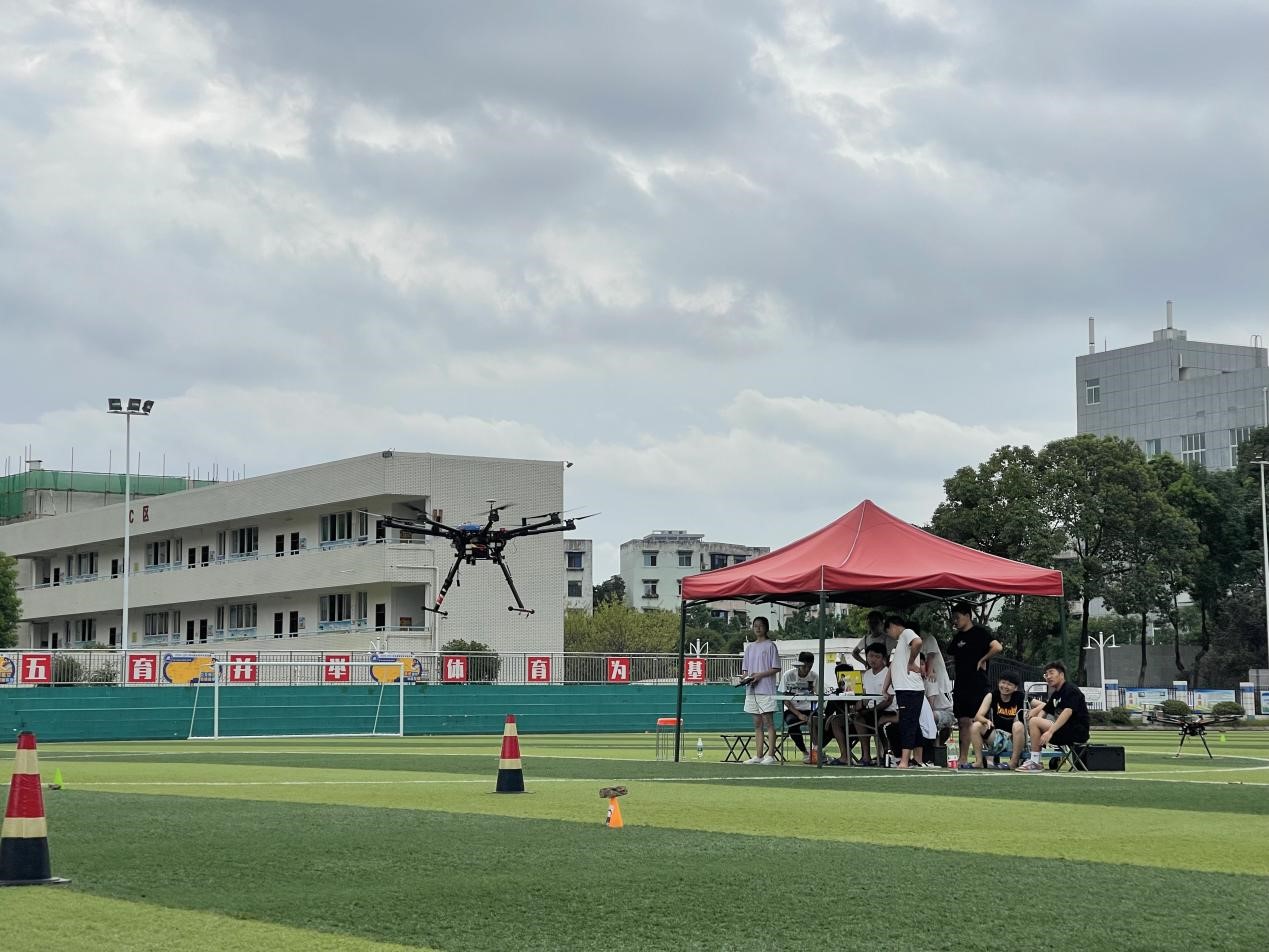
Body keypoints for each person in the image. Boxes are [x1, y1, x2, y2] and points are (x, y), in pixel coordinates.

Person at [947, 602, 1003, 769]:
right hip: (961, 685)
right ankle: (963, 758)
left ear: (967, 616)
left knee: (981, 721)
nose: (955, 621)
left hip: (978, 685)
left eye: (957, 617)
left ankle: (990, 757)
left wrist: (983, 659)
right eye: (953, 618)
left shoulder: (980, 633)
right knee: (963, 721)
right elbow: (951, 651)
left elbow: (997, 647)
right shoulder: (958, 637)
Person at [1016, 661, 1091, 772]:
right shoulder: (1056, 694)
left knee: (1034, 721)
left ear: (1061, 675)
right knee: (1034, 721)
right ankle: (1035, 760)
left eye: (1051, 673)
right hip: (1063, 731)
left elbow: (1067, 712)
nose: (1048, 677)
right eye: (1046, 675)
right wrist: (1037, 728)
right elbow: (1045, 710)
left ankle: (1035, 762)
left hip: (1077, 732)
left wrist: (1049, 731)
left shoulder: (1071, 690)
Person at [884, 614, 926, 768]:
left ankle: (904, 760)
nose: (889, 635)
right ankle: (918, 759)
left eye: (888, 631)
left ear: (893, 626)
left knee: (907, 723)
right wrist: (885, 688)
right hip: (905, 689)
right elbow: (892, 668)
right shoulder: (900, 644)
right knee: (913, 723)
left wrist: (911, 662)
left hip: (910, 689)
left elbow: (918, 642)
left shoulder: (907, 633)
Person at [739, 617, 782, 765]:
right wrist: (744, 678)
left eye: (760, 626)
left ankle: (770, 755)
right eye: (755, 626)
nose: (757, 628)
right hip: (751, 690)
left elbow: (776, 668)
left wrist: (759, 675)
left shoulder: (770, 646)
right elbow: (745, 670)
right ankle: (758, 755)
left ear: (766, 628)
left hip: (766, 690)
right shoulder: (750, 647)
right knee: (757, 723)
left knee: (768, 722)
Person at [850, 643, 897, 766]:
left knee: (872, 719)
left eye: (877, 656)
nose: (873, 659)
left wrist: (873, 710)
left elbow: (889, 700)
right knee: (857, 718)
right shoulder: (867, 674)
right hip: (871, 710)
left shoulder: (888, 673)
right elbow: (865, 696)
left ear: (884, 659)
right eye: (870, 656)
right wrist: (859, 706)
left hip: (887, 711)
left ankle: (884, 755)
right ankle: (866, 756)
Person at [968, 672, 1026, 770]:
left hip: (1015, 738)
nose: (1005, 686)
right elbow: (978, 716)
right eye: (1003, 682)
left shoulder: (1020, 696)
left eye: (1009, 684)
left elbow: (1042, 706)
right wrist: (986, 721)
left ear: (1015, 688)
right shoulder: (992, 695)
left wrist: (1033, 712)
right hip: (997, 737)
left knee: (1018, 725)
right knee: (976, 725)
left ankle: (1014, 762)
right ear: (998, 683)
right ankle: (979, 762)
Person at [780, 651, 818, 764]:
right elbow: (785, 699)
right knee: (792, 725)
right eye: (804, 666)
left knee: (820, 722)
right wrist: (799, 714)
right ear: (799, 664)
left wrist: (812, 712)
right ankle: (805, 752)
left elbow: (819, 696)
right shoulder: (788, 675)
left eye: (810, 666)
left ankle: (816, 749)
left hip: (809, 709)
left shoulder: (815, 676)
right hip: (792, 710)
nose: (807, 669)